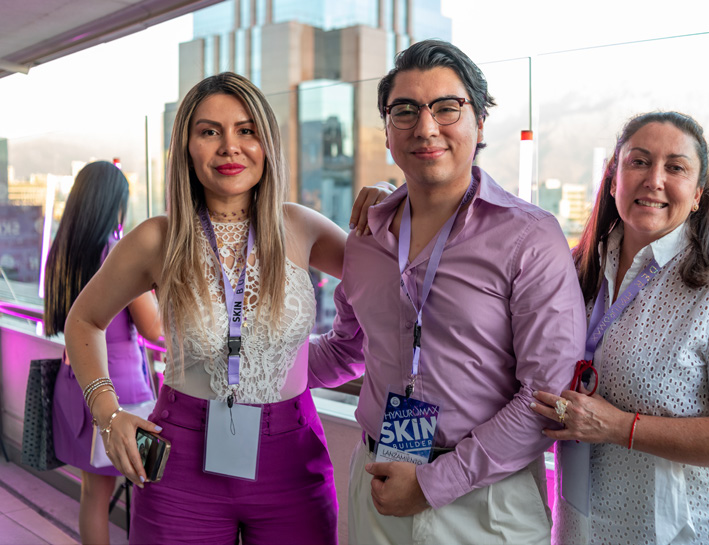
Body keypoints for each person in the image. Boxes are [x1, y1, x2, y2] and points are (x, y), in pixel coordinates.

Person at [64, 72, 385, 544]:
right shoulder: (157, 238)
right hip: (181, 459)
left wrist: (383, 197)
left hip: (291, 461)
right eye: (209, 131)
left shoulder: (299, 225)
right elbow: (84, 320)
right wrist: (108, 415)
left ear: (266, 143)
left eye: (246, 130)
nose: (229, 147)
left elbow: (386, 274)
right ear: (188, 147)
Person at [309, 39, 586, 544]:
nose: (426, 126)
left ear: (480, 123)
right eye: (406, 110)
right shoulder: (367, 237)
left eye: (447, 108)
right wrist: (246, 367)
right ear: (388, 132)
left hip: (484, 503)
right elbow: (347, 350)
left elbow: (546, 394)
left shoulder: (529, 237)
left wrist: (436, 483)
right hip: (380, 485)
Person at [530, 111, 709, 544]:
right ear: (614, 181)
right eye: (639, 162)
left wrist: (615, 426)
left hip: (679, 533)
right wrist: (397, 201)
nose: (655, 179)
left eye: (676, 167)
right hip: (580, 527)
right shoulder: (574, 269)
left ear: (699, 194)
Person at [44, 160, 161, 545]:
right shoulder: (116, 252)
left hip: (75, 382)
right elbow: (154, 328)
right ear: (115, 204)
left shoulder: (61, 252)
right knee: (152, 486)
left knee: (93, 494)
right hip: (121, 392)